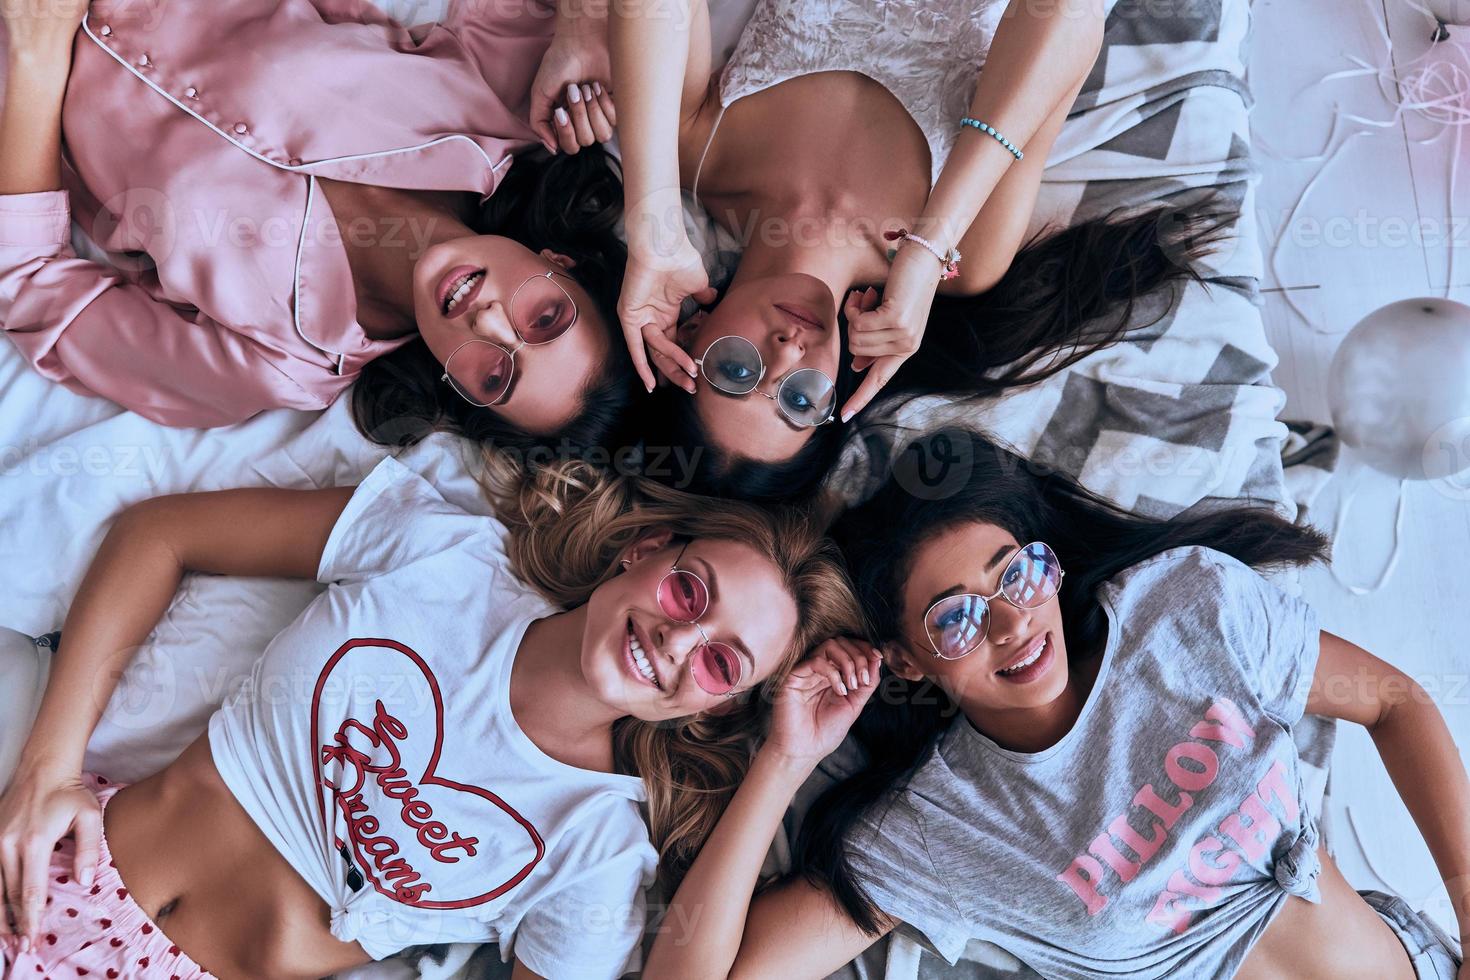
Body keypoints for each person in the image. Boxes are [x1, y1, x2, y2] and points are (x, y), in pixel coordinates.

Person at [639, 429, 1470, 980]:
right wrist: (786, 762)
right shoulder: (943, 825)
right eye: (955, 617)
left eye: (1016, 573)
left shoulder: (1183, 611)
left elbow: (1394, 701)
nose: (1010, 623)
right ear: (907, 662)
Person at [0, 454, 863, 979]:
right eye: (689, 590)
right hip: (50, 881)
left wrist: (783, 762)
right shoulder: (447, 554)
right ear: (643, 554)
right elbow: (161, 534)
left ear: (713, 707)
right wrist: (48, 768)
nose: (679, 639)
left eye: (720, 661)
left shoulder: (598, 845)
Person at [609, 0, 1193, 498]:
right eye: (800, 398)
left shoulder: (696, 154)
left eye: (736, 369)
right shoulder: (968, 261)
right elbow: (1072, 13)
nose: (788, 353)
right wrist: (929, 243)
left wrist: (652, 223)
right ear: (836, 392)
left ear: (688, 336)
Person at [0, 0, 631, 451]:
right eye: (545, 318)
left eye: (496, 376)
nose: (489, 322)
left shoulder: (278, 363)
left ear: (461, 393)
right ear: (561, 263)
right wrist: (583, 22)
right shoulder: (504, 109)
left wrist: (35, 52)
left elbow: (27, 282)